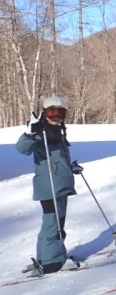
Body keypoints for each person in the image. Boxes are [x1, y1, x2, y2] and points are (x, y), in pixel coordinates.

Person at [16, 96, 80, 276]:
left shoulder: (58, 132)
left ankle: (45, 257)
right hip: (49, 187)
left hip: (61, 185)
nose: (56, 116)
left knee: (51, 223)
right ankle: (54, 261)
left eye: (60, 113)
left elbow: (57, 160)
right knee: (55, 224)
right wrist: (29, 133)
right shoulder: (39, 131)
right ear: (45, 113)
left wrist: (71, 167)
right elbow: (22, 149)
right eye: (52, 112)